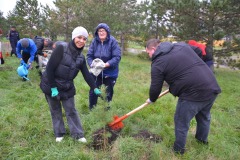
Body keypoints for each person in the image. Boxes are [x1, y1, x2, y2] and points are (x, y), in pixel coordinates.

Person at [145, 39, 221, 155]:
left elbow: (156, 87)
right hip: (211, 86)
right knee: (204, 116)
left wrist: (152, 99)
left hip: (193, 93)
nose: (149, 56)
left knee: (181, 121)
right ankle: (201, 142)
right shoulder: (181, 46)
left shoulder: (158, 62)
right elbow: (199, 52)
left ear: (154, 49)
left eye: (148, 53)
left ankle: (178, 151)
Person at [40, 26, 101, 142]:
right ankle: (59, 133)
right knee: (55, 109)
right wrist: (53, 88)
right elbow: (49, 69)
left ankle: (78, 134)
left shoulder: (81, 57)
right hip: (51, 83)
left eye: (84, 39)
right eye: (79, 37)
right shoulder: (61, 49)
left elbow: (86, 74)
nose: (81, 41)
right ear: (74, 37)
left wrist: (95, 88)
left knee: (71, 110)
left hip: (67, 86)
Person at [87, 23, 121, 110]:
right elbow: (89, 56)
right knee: (93, 91)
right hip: (96, 72)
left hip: (109, 73)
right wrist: (92, 64)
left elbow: (117, 57)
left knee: (108, 93)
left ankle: (106, 113)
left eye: (103, 31)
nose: (101, 33)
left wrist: (106, 65)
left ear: (107, 32)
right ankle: (92, 110)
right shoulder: (95, 41)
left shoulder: (113, 42)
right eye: (99, 31)